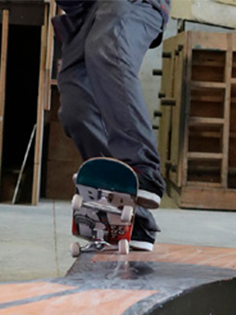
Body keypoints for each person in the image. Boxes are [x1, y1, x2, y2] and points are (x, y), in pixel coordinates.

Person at [53, 0, 170, 251]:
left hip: (131, 4)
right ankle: (131, 218)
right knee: (77, 109)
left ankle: (143, 169)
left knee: (108, 47)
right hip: (83, 15)